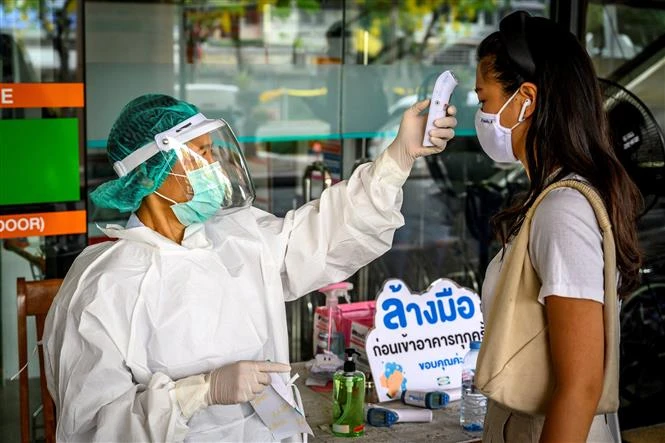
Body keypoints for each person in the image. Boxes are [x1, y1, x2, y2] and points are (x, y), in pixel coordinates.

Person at [43, 93, 457, 441]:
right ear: (152, 173)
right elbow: (94, 426)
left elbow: (324, 236)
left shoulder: (236, 235)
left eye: (212, 150)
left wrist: (396, 160)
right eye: (200, 154)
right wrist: (199, 393)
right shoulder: (104, 287)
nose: (215, 167)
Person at [472, 11, 642, 442]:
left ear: (526, 99)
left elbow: (581, 386)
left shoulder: (562, 210)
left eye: (484, 98)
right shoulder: (549, 199)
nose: (482, 114)